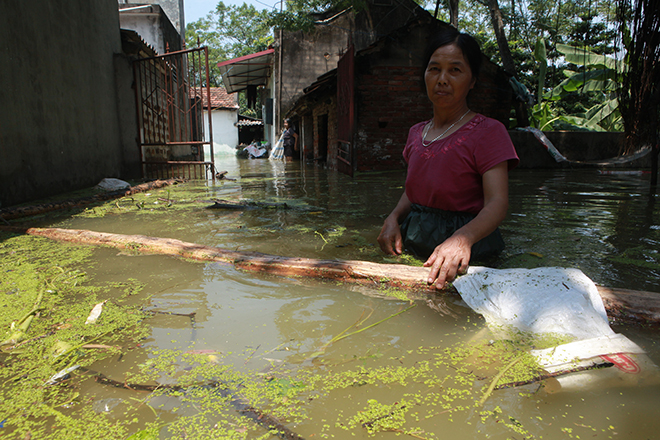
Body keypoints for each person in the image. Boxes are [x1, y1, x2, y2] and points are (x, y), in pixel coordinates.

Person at [377, 27, 519, 290]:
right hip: (414, 237)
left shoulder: (489, 132)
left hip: (470, 246)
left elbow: (497, 203)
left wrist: (462, 238)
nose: (442, 79)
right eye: (434, 69)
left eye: (455, 70)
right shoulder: (416, 132)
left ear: (473, 80)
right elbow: (415, 189)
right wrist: (394, 217)